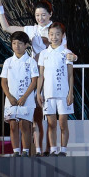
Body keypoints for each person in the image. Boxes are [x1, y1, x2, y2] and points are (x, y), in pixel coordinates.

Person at [0, 0, 77, 155]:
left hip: (52, 77)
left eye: (44, 15)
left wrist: (73, 57)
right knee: (36, 116)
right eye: (37, 15)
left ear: (50, 14)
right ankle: (38, 149)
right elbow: (6, 27)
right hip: (35, 75)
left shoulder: (56, 31)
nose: (40, 18)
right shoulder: (31, 30)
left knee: (54, 119)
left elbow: (66, 54)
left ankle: (53, 149)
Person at [36, 23, 75, 156]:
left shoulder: (67, 53)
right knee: (51, 124)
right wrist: (38, 92)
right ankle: (53, 149)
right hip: (48, 94)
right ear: (48, 35)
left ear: (63, 36)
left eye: (58, 34)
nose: (54, 37)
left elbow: (70, 75)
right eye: (52, 34)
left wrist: (70, 93)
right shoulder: (43, 54)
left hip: (63, 94)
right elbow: (41, 75)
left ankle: (63, 150)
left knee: (63, 124)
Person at [0, 31, 38, 157]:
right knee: (12, 125)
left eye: (20, 43)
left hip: (26, 99)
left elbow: (34, 81)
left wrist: (24, 97)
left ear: (26, 45)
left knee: (24, 124)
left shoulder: (31, 62)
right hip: (11, 99)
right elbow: (3, 82)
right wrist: (9, 96)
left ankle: (25, 151)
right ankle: (16, 151)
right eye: (14, 43)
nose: (17, 46)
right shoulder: (8, 61)